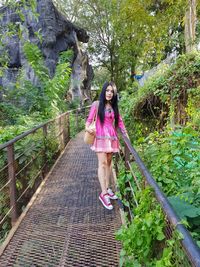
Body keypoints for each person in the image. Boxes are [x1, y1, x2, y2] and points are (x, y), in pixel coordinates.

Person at [85, 81, 128, 210]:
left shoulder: (114, 106)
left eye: (112, 92)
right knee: (102, 164)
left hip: (111, 138)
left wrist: (126, 136)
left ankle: (108, 188)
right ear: (103, 91)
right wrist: (88, 128)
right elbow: (88, 121)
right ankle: (103, 194)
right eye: (107, 90)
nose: (109, 93)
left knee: (109, 163)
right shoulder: (96, 105)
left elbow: (119, 122)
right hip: (99, 137)